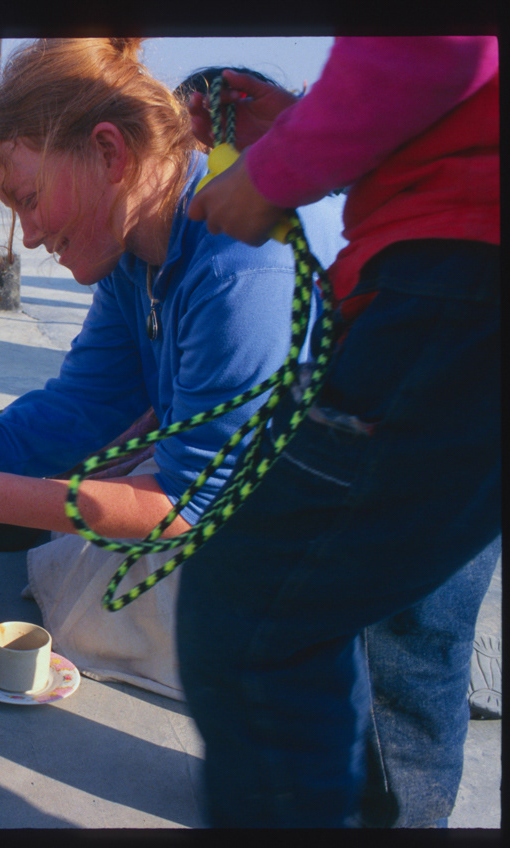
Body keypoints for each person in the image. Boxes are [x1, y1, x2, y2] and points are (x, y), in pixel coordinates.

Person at [0, 39, 345, 699]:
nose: (28, 235)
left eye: (28, 199)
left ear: (109, 153)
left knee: (195, 632)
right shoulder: (138, 251)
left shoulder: (244, 267)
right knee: (81, 522)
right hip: (236, 482)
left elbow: (187, 502)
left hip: (340, 508)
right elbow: (78, 411)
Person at [178, 38, 499, 827]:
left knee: (251, 612)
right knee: (413, 607)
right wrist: (301, 128)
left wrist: (269, 171)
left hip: (454, 281)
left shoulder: (233, 272)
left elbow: (443, 45)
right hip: (463, 289)